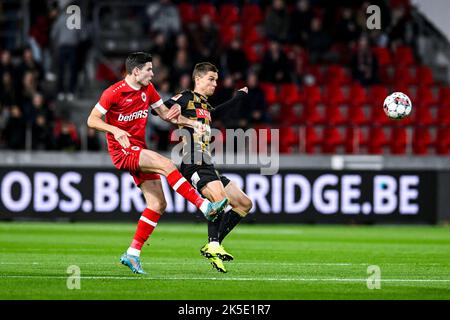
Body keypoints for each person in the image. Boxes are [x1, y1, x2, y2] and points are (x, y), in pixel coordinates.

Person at [87, 52, 228, 275]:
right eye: (149, 70)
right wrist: (115, 130)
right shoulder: (113, 92)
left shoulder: (148, 90)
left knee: (157, 205)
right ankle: (205, 206)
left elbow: (165, 115)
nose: (153, 74)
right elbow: (92, 120)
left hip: (139, 148)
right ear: (136, 72)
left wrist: (192, 123)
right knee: (167, 164)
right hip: (122, 151)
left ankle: (132, 254)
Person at [162, 62, 253, 273]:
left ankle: (213, 244)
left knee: (243, 204)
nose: (215, 84)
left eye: (216, 80)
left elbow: (218, 111)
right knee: (219, 201)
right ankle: (213, 244)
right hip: (193, 160)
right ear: (198, 79)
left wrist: (238, 96)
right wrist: (185, 121)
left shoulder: (204, 106)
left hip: (206, 162)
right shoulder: (185, 97)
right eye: (211, 79)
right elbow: (160, 110)